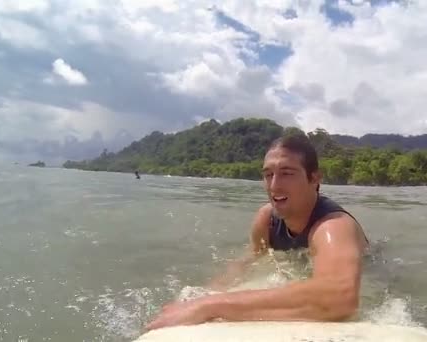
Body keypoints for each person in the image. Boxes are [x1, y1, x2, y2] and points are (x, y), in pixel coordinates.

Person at [145, 133, 369, 331]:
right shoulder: (267, 219)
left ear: (314, 178)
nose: (274, 186)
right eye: (268, 174)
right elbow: (249, 260)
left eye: (287, 173)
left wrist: (211, 306)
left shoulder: (333, 226)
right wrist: (202, 296)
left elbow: (340, 298)